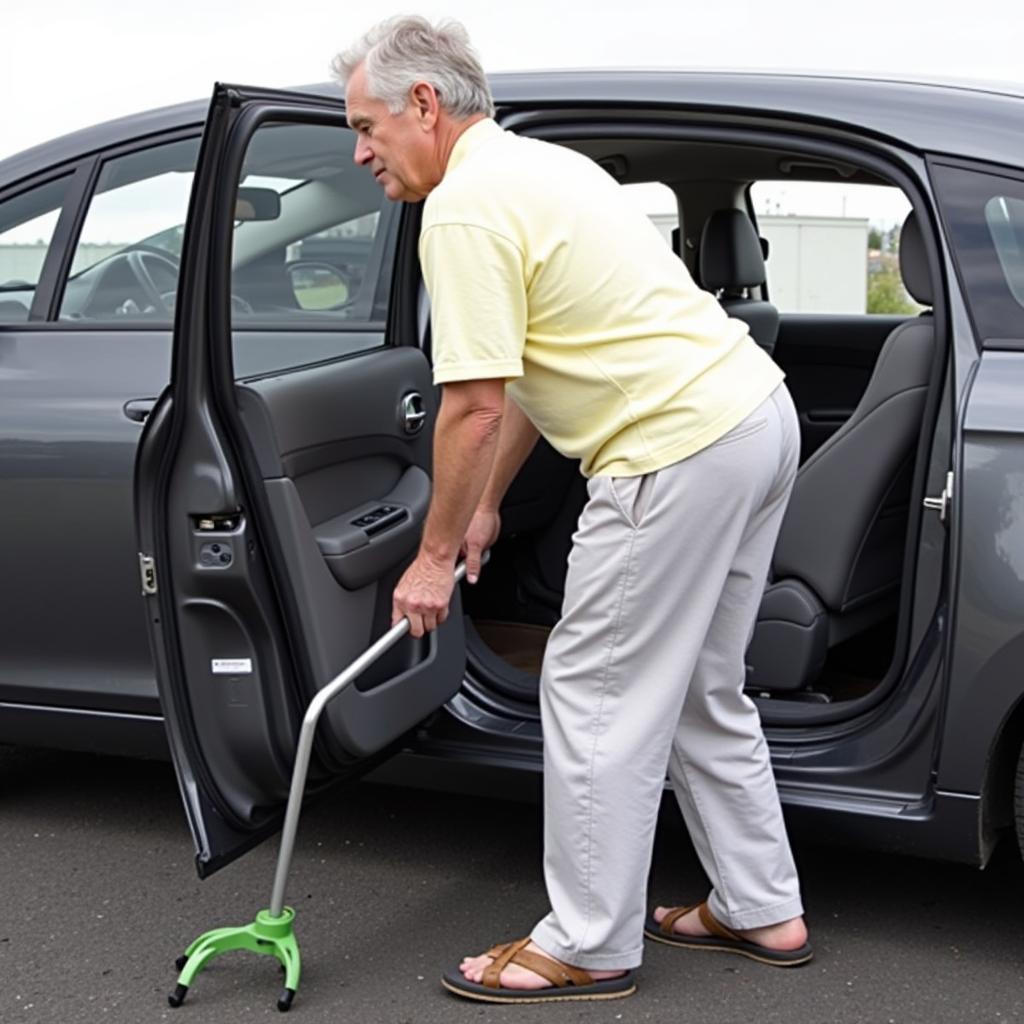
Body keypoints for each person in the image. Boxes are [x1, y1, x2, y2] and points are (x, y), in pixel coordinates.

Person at [333, 15, 811, 1005]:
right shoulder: (543, 167)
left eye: (367, 125)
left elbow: (467, 406)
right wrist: (486, 507)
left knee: (594, 693)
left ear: (424, 104)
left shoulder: (463, 209)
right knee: (698, 685)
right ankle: (761, 904)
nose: (360, 150)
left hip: (671, 450)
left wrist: (426, 560)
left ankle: (591, 941)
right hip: (750, 416)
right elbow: (520, 381)